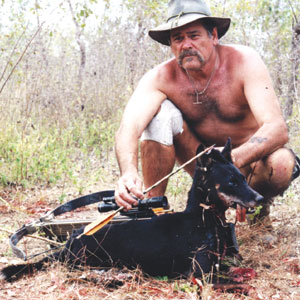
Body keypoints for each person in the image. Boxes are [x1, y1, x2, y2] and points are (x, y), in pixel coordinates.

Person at [114, 0, 299, 223]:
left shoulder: (243, 61)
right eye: (178, 39)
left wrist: (231, 159)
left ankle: (256, 207)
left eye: (194, 35)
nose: (186, 45)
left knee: (281, 164)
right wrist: (128, 172)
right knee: (160, 116)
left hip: (250, 163)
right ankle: (152, 212)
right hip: (203, 163)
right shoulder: (161, 78)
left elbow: (277, 128)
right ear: (171, 45)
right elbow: (129, 127)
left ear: (213, 35)